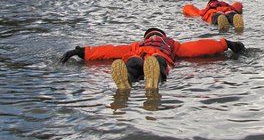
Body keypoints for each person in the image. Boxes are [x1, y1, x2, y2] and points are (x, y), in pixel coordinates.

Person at [60, 28, 246, 91]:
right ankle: (154, 79)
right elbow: (198, 47)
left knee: (132, 65)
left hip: (135, 57)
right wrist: (225, 43)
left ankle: (128, 80)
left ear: (146, 36)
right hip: (160, 58)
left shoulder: (135, 45)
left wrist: (82, 51)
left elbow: (110, 50)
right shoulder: (172, 44)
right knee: (158, 64)